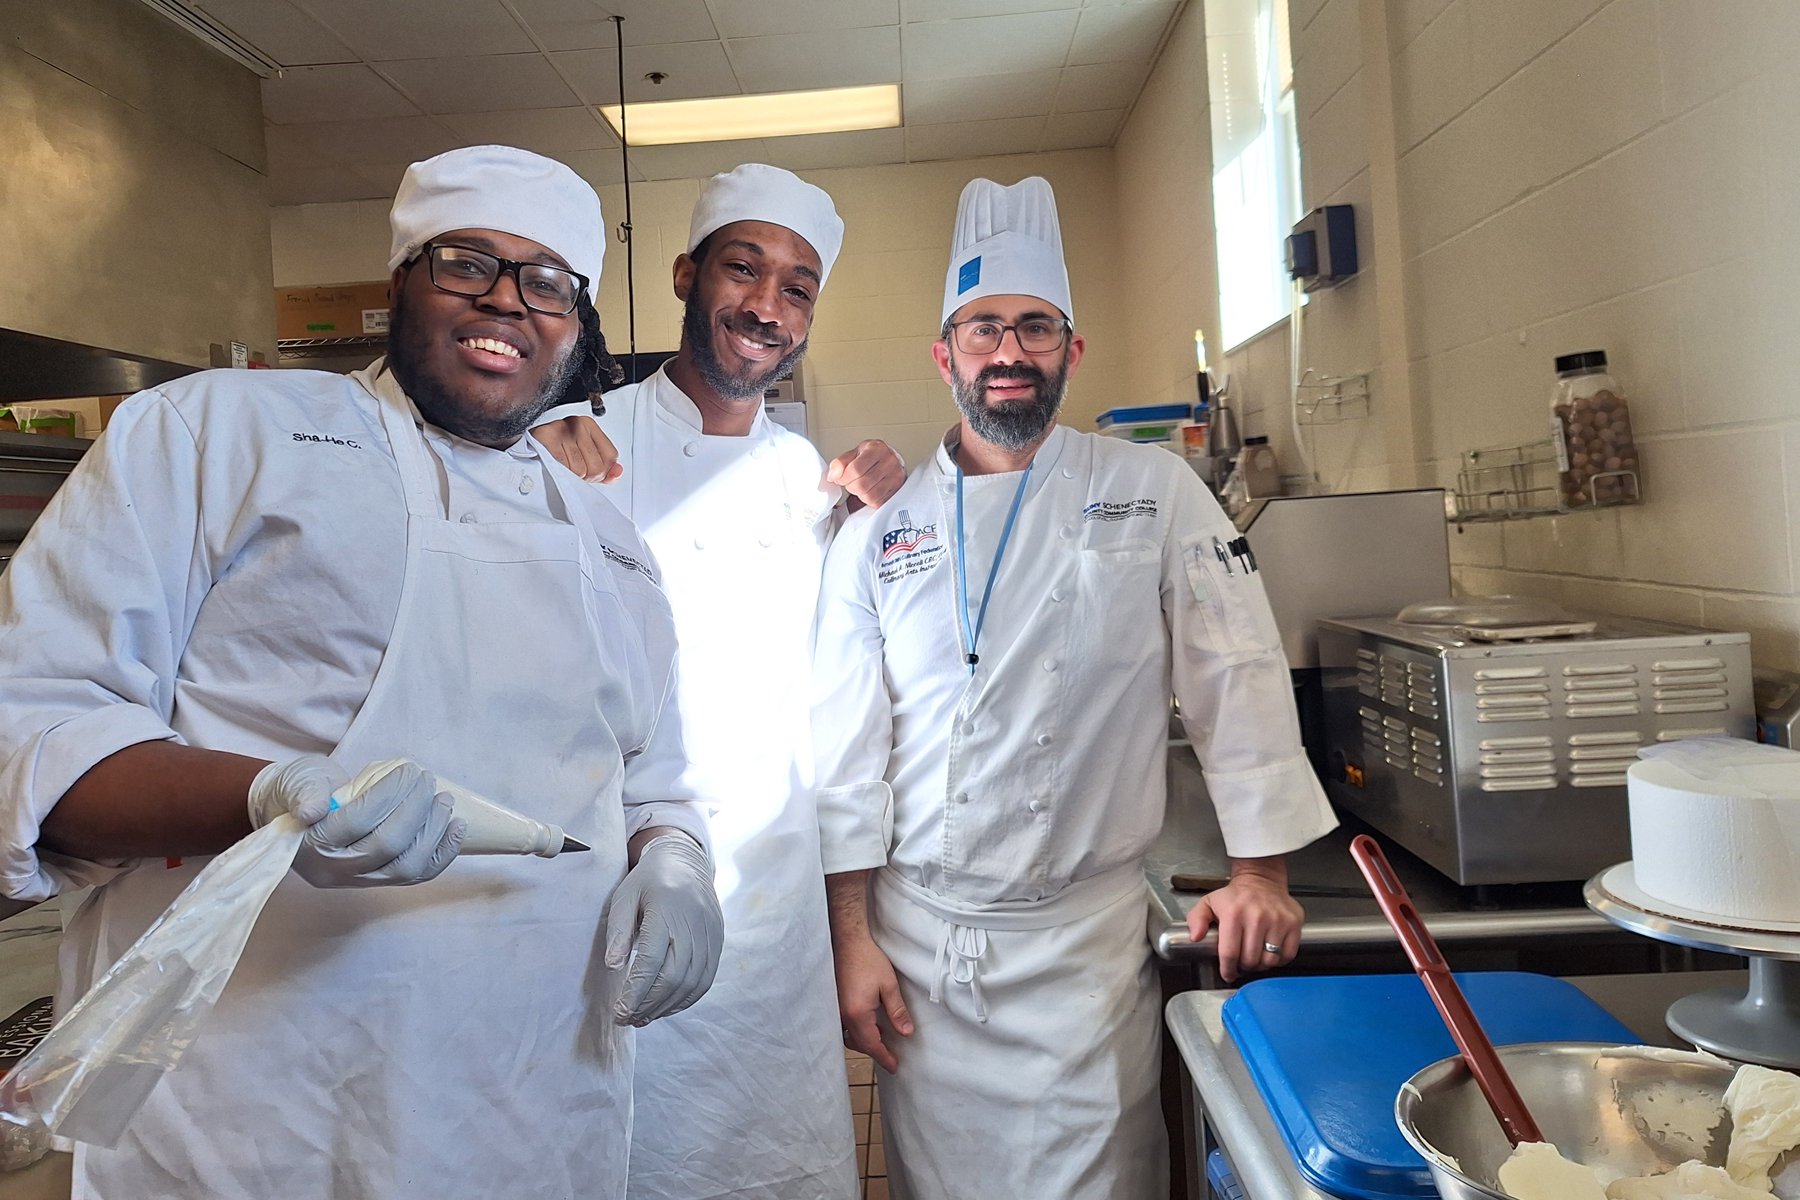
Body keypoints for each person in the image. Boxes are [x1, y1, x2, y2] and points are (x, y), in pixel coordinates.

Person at [0, 145, 724, 1200]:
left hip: (535, 1108)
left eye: (548, 281)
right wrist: (264, 799)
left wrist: (678, 863)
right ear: (400, 280)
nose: (507, 302)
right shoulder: (216, 434)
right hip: (261, 1115)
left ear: (576, 323)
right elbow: (35, 732)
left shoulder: (611, 546)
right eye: (467, 263)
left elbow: (654, 775)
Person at [811, 176, 1338, 1200]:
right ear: (944, 355)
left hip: (1084, 955)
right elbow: (845, 751)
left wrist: (1261, 873)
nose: (1008, 353)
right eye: (982, 330)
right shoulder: (881, 529)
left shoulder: (1153, 490)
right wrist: (851, 941)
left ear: (1071, 349)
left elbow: (1236, 670)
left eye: (1035, 329)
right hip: (926, 952)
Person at [532, 163, 904, 1200]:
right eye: (744, 270)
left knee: (776, 1170)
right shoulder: (578, 445)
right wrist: (525, 450)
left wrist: (850, 934)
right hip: (609, 906)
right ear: (688, 274)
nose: (766, 307)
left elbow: (838, 722)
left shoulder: (805, 480)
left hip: (771, 934)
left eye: (797, 287)